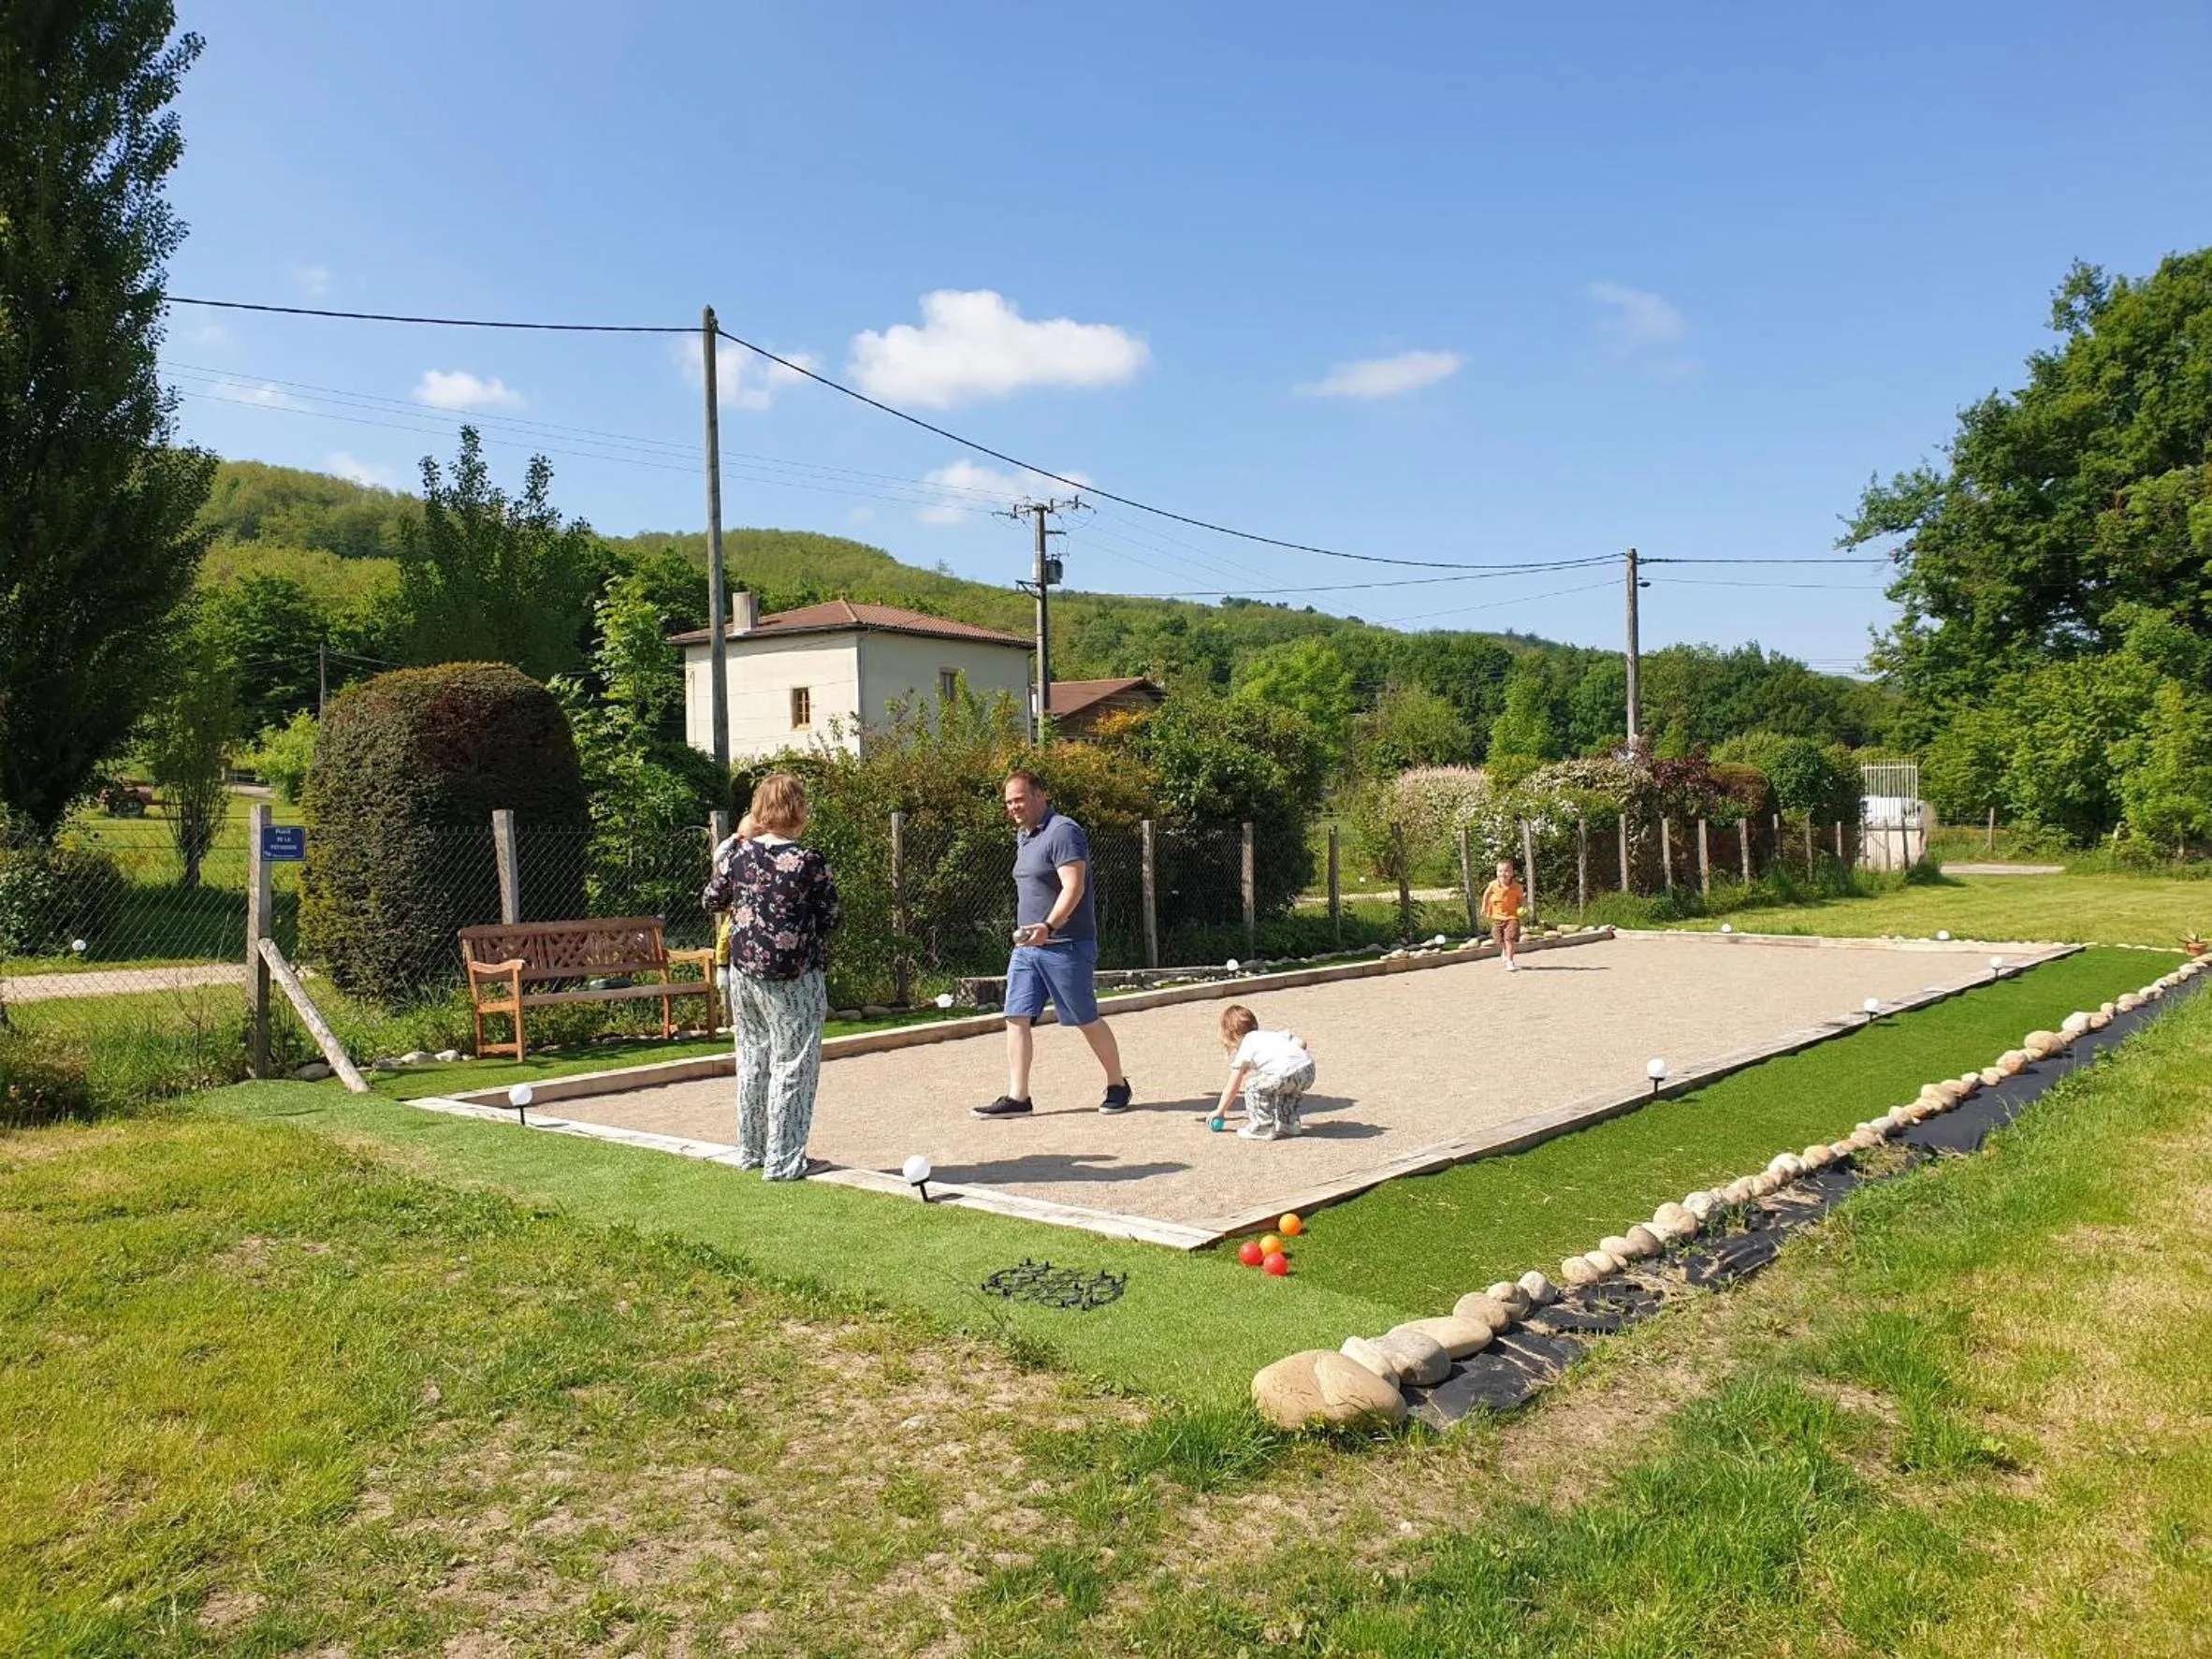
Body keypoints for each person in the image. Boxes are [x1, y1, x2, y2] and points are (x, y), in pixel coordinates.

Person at [701, 778, 840, 1179]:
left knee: (752, 1061)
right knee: (793, 1065)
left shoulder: (739, 855)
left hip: (745, 974)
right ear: (798, 810)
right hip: (794, 976)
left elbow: (711, 899)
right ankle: (784, 1161)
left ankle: (752, 1152)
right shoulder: (808, 861)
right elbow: (832, 916)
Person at [973, 769, 1132, 1117]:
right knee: (1016, 1016)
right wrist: (1033, 934)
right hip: (1027, 947)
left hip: (1066, 944)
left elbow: (1074, 886)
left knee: (1084, 1018)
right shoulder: (1024, 836)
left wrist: (1049, 926)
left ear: (1040, 795)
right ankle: (1018, 1097)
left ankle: (1117, 1084)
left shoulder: (1063, 831)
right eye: (1009, 802)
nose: (1013, 807)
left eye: (1019, 799)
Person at [1210, 1003, 1315, 1141]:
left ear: (1232, 1034)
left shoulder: (1247, 1044)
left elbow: (1233, 1087)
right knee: (1288, 1088)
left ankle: (1262, 1127)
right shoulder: (1271, 1035)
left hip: (1285, 1073)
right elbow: (1302, 1043)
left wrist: (1220, 1111)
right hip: (1308, 1069)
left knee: (1252, 1087)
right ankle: (1289, 1123)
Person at [1480, 857, 1526, 970]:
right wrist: (1484, 907)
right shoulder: (1493, 885)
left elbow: (1521, 899)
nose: (1503, 873)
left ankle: (1510, 962)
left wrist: (1523, 907)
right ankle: (1504, 950)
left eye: (1506, 871)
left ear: (1512, 873)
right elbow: (1486, 894)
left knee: (1509, 939)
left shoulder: (1517, 887)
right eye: (1500, 871)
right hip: (1497, 916)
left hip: (1512, 916)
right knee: (1497, 939)